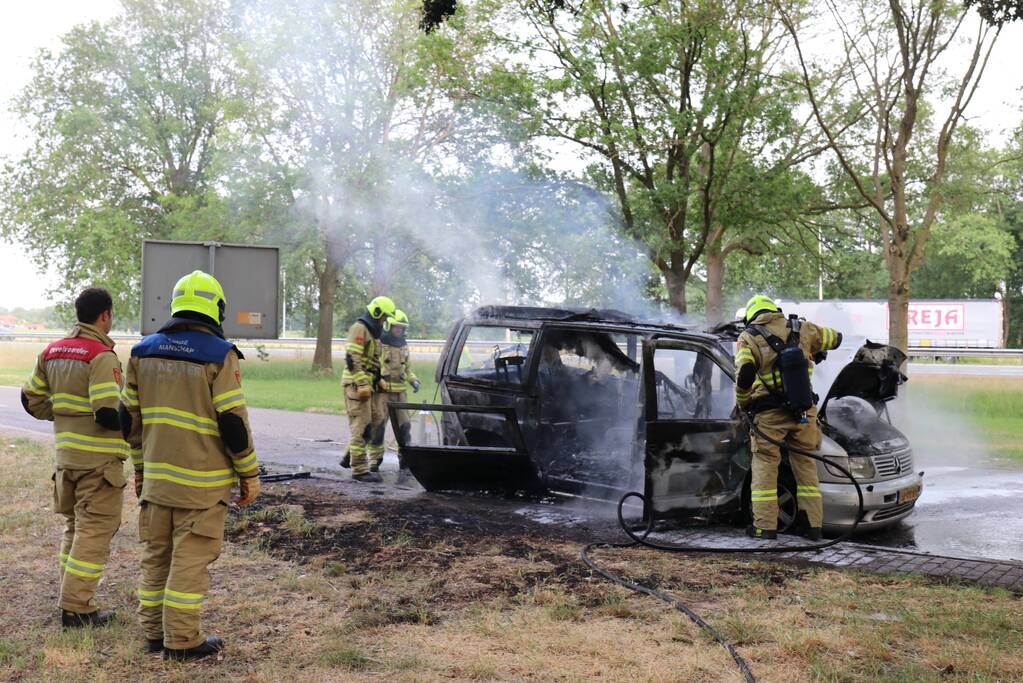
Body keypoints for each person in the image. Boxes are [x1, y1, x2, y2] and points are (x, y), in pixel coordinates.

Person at [120, 270, 260, 661]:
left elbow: (129, 421)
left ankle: (154, 633)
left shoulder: (142, 352)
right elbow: (232, 423)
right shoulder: (218, 355)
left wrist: (141, 470)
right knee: (189, 560)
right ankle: (181, 640)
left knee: (157, 557)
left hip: (158, 481)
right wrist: (249, 473)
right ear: (217, 309)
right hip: (202, 486)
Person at [21, 287, 128, 628]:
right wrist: (137, 426)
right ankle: (77, 608)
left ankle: (71, 598)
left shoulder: (51, 351)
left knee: (74, 528)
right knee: (94, 532)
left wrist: (62, 415)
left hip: (65, 459)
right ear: (105, 315)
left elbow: (30, 399)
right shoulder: (101, 356)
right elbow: (107, 413)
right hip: (98, 464)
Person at [733, 295, 842, 540]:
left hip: (769, 415)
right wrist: (815, 346)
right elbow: (836, 338)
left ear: (751, 316)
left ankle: (764, 528)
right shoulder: (802, 328)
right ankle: (812, 527)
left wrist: (743, 403)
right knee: (806, 468)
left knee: (765, 467)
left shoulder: (748, 337)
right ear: (775, 310)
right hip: (804, 412)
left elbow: (744, 375)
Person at [340, 295, 395, 482]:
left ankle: (350, 455)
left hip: (369, 384)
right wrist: (362, 383)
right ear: (377, 312)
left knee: (376, 420)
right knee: (361, 426)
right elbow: (352, 359)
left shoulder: (373, 332)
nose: (385, 321)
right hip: (356, 385)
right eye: (384, 316)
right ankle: (360, 470)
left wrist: (378, 379)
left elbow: (372, 362)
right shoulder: (359, 328)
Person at [374, 309, 421, 473]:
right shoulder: (380, 343)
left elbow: (407, 369)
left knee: (404, 427)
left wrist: (413, 380)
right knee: (378, 426)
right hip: (382, 392)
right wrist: (377, 380)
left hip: (400, 394)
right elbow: (373, 365)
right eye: (396, 327)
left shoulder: (404, 345)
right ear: (389, 326)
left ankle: (404, 460)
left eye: (401, 327)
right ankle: (375, 460)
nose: (399, 330)